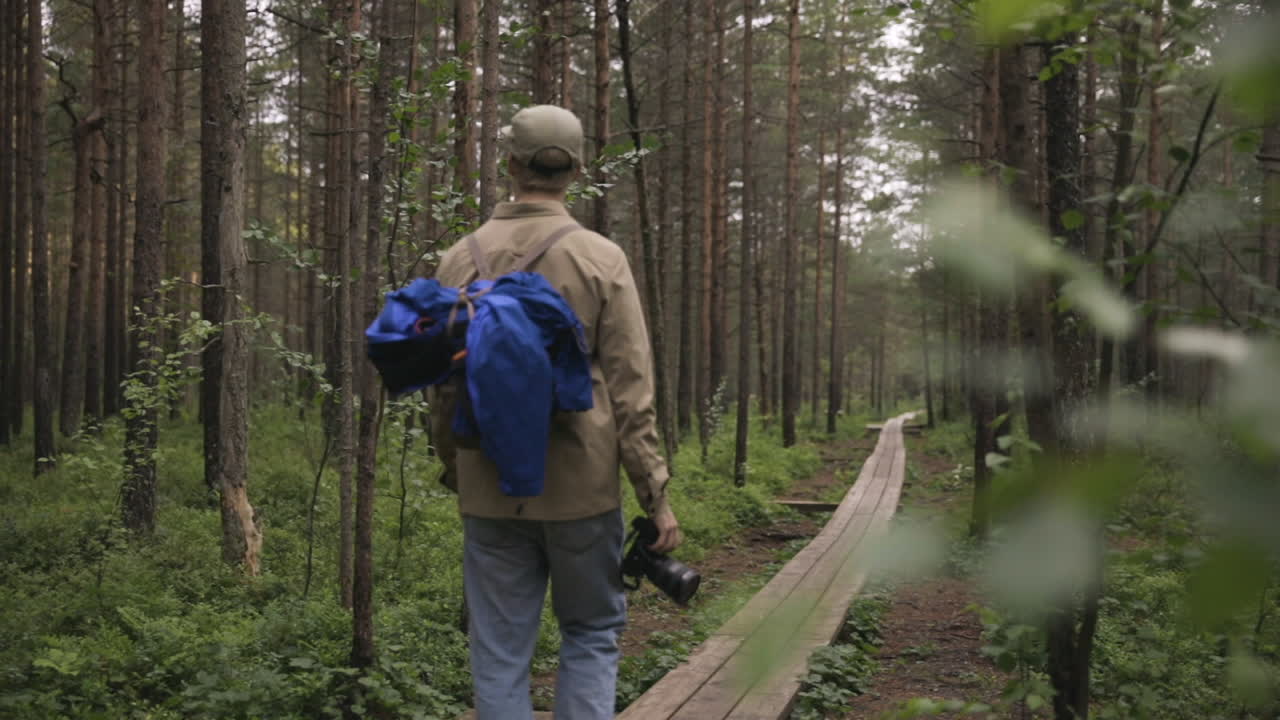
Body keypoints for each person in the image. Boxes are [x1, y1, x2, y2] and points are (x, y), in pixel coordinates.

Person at [430, 104, 681, 720]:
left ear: (508, 163)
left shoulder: (459, 258)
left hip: (489, 485)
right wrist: (655, 494)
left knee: (498, 650)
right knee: (592, 633)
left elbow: (442, 386)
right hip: (583, 489)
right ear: (575, 169)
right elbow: (630, 389)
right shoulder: (600, 257)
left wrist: (455, 467)